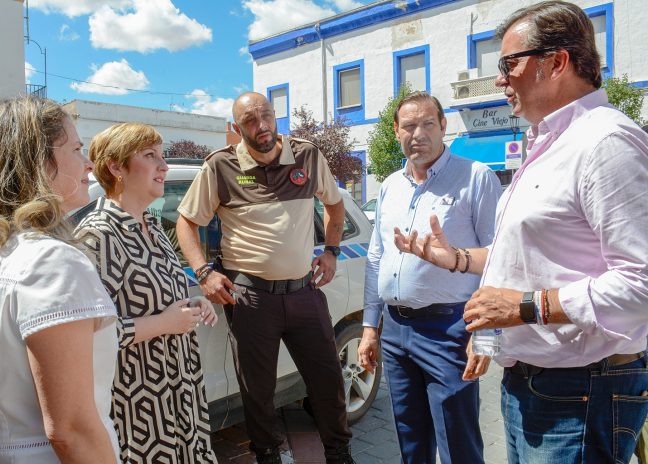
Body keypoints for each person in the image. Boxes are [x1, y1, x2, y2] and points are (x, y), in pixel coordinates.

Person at [394, 2, 648, 463]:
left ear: (556, 62)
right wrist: (454, 258)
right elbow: (527, 256)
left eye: (509, 63)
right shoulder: (547, 143)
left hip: (580, 390)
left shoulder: (606, 143)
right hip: (534, 383)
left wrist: (527, 306)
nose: (499, 79)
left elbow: (641, 284)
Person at [176, 92, 354, 464]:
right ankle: (268, 455)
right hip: (251, 299)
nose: (262, 127)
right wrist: (204, 272)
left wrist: (332, 252)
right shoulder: (220, 167)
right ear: (236, 128)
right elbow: (187, 222)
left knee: (328, 381)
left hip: (305, 291)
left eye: (267, 116)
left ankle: (339, 454)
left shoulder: (306, 155)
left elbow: (335, 204)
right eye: (251, 121)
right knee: (257, 391)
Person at [0, 96, 120, 463]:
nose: (88, 164)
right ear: (36, 164)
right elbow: (71, 430)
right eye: (76, 149)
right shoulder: (50, 262)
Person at [357, 92, 500, 464]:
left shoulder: (476, 178)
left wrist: (486, 334)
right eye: (408, 126)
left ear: (443, 126)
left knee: (458, 443)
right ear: (395, 131)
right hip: (395, 332)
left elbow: (500, 259)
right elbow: (376, 258)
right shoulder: (389, 185)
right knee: (410, 441)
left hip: (449, 330)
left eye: (427, 124)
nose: (417, 134)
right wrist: (370, 326)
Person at [75, 123, 219, 464]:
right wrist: (164, 323)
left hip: (182, 393)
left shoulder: (153, 226)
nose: (164, 166)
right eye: (150, 156)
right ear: (116, 167)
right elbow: (86, 334)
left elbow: (162, 297)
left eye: (163, 156)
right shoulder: (97, 237)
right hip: (139, 406)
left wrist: (193, 304)